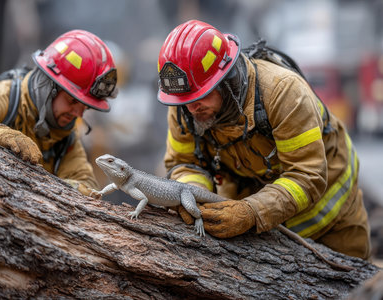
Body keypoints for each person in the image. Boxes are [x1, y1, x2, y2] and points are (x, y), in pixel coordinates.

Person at [156, 20, 370, 259]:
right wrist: (192, 193)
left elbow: (307, 176)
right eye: (184, 100)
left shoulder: (283, 93)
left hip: (330, 222)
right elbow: (184, 163)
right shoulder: (184, 106)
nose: (192, 108)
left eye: (201, 96)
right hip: (255, 229)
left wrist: (252, 212)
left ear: (227, 80)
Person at [0, 30, 118, 196]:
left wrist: (75, 191)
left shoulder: (65, 138)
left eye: (85, 107)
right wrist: (0, 134)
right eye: (72, 101)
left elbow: (84, 181)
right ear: (48, 88)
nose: (78, 114)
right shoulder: (6, 96)